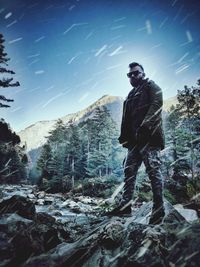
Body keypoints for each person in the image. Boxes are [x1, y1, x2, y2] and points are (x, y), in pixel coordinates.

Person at [107, 62, 165, 224]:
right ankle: (125, 206)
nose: (133, 76)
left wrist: (145, 126)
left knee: (153, 171)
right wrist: (124, 137)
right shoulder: (131, 94)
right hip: (134, 142)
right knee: (129, 171)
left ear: (143, 73)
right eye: (130, 74)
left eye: (136, 73)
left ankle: (159, 209)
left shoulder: (151, 86)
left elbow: (157, 104)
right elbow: (127, 119)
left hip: (149, 138)